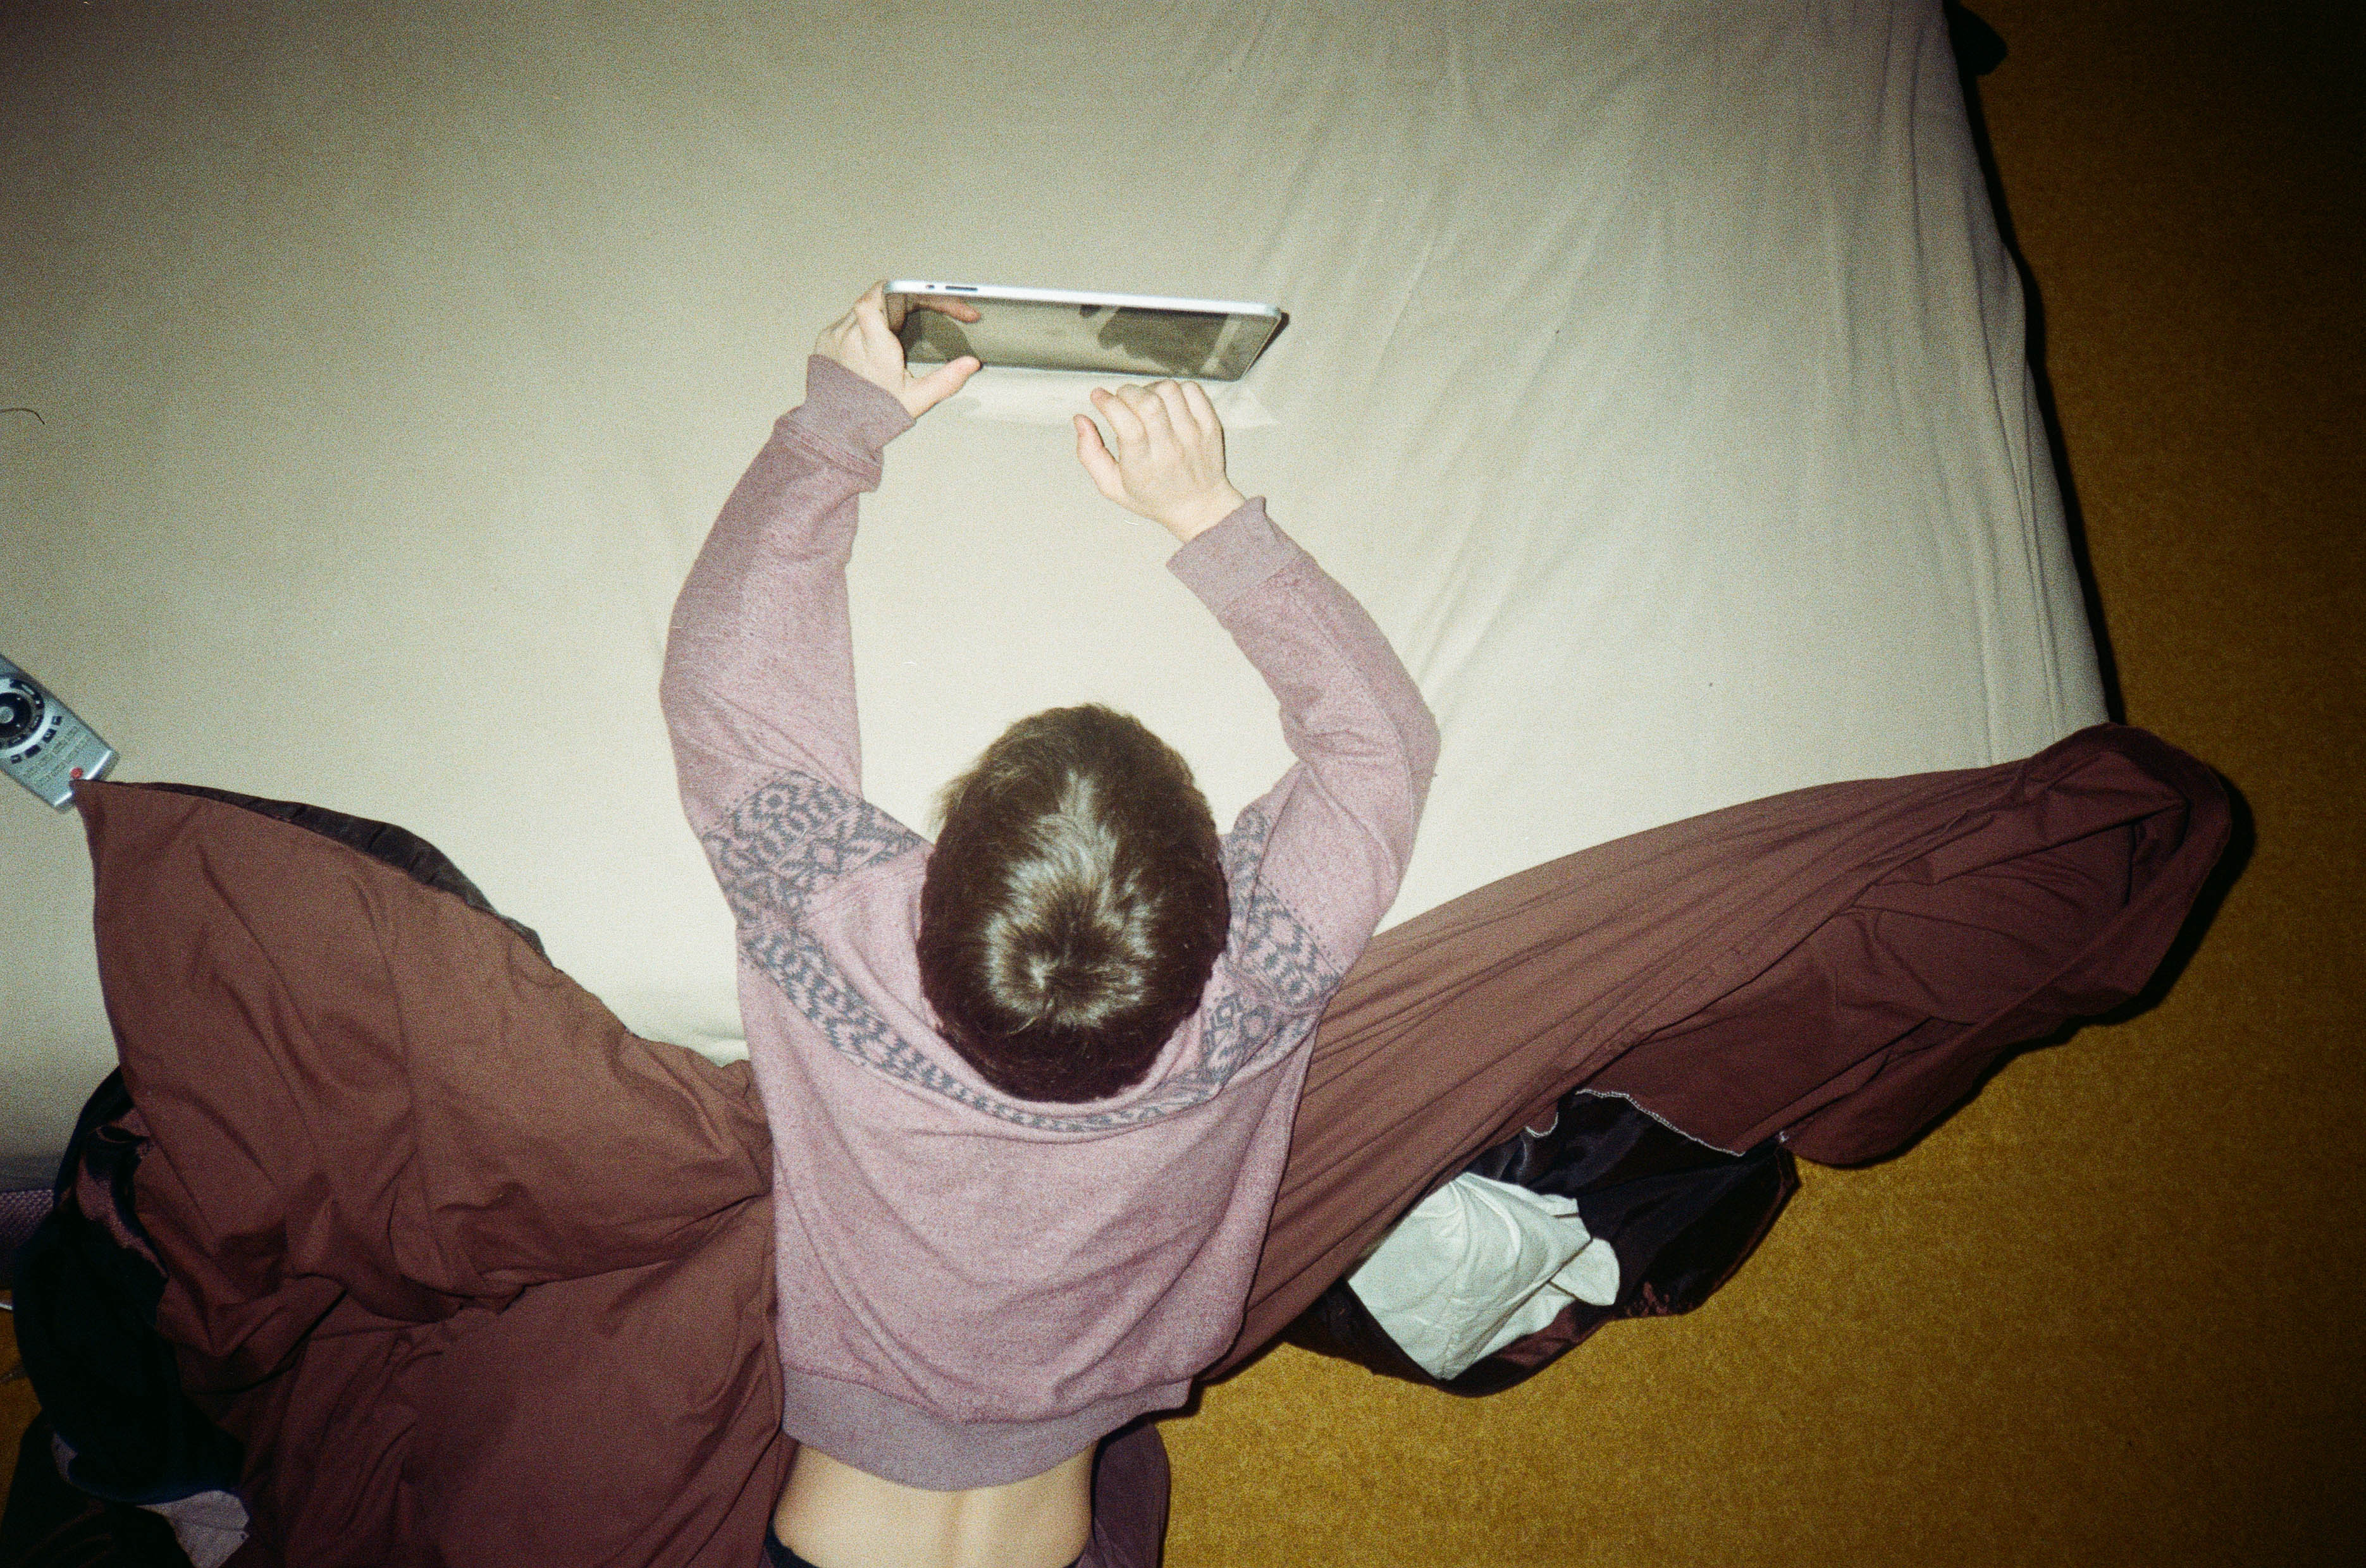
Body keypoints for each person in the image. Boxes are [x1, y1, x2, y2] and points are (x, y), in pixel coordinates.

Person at [660, 282, 1440, 1568]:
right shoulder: (1257, 984)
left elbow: (726, 681)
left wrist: (836, 426)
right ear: (1214, 908)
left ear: (927, 881)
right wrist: (1207, 514)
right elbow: (1378, 749)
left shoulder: (831, 931)